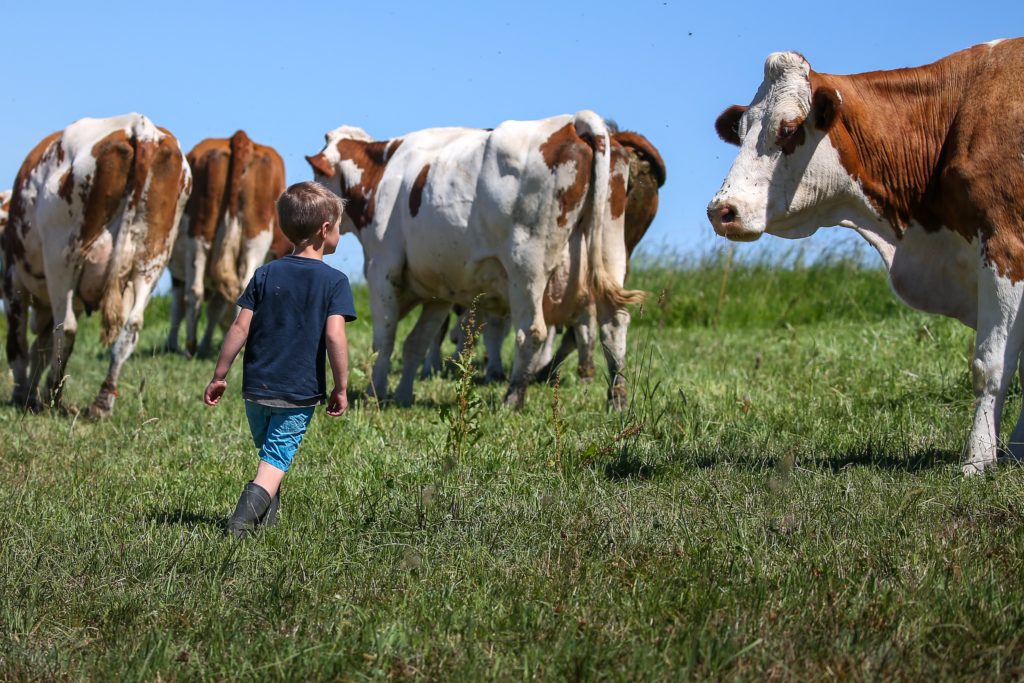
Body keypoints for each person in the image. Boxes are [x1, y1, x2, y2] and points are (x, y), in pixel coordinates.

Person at [203, 181, 357, 538]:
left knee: (270, 454)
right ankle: (238, 527)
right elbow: (335, 335)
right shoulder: (334, 282)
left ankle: (264, 524)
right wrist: (342, 386)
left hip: (256, 388)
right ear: (324, 230)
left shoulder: (265, 273)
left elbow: (239, 328)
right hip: (297, 392)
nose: (340, 234)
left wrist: (219, 374)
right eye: (338, 227)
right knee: (275, 458)